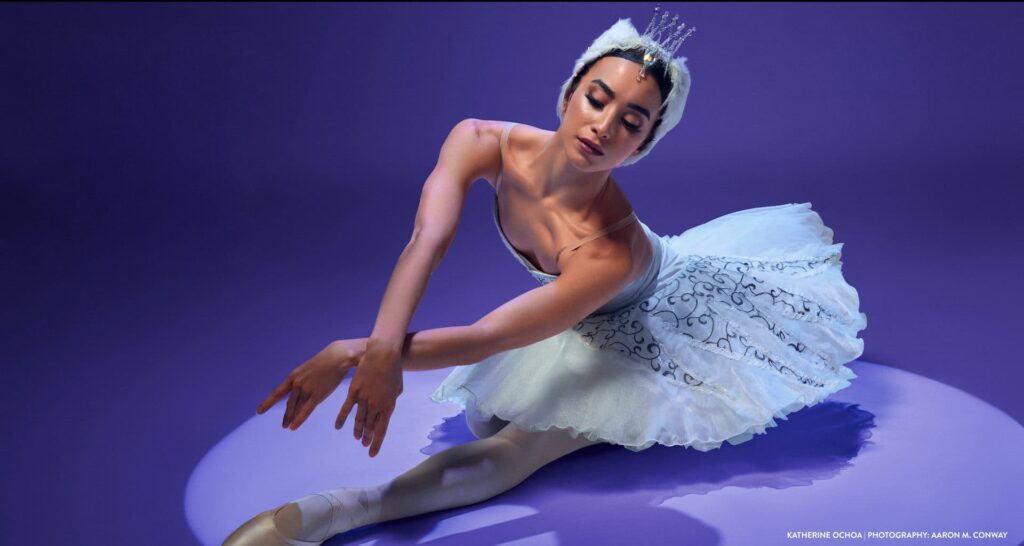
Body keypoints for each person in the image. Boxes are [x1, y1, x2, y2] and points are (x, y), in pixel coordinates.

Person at [224, 8, 867, 545]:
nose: (604, 126)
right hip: (576, 305)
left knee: (515, 447)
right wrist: (381, 347)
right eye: (598, 98)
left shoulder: (609, 250)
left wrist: (351, 353)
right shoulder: (479, 139)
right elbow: (427, 241)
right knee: (483, 418)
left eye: (631, 123)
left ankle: (333, 513)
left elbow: (486, 340)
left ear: (640, 148)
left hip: (649, 318)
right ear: (569, 93)